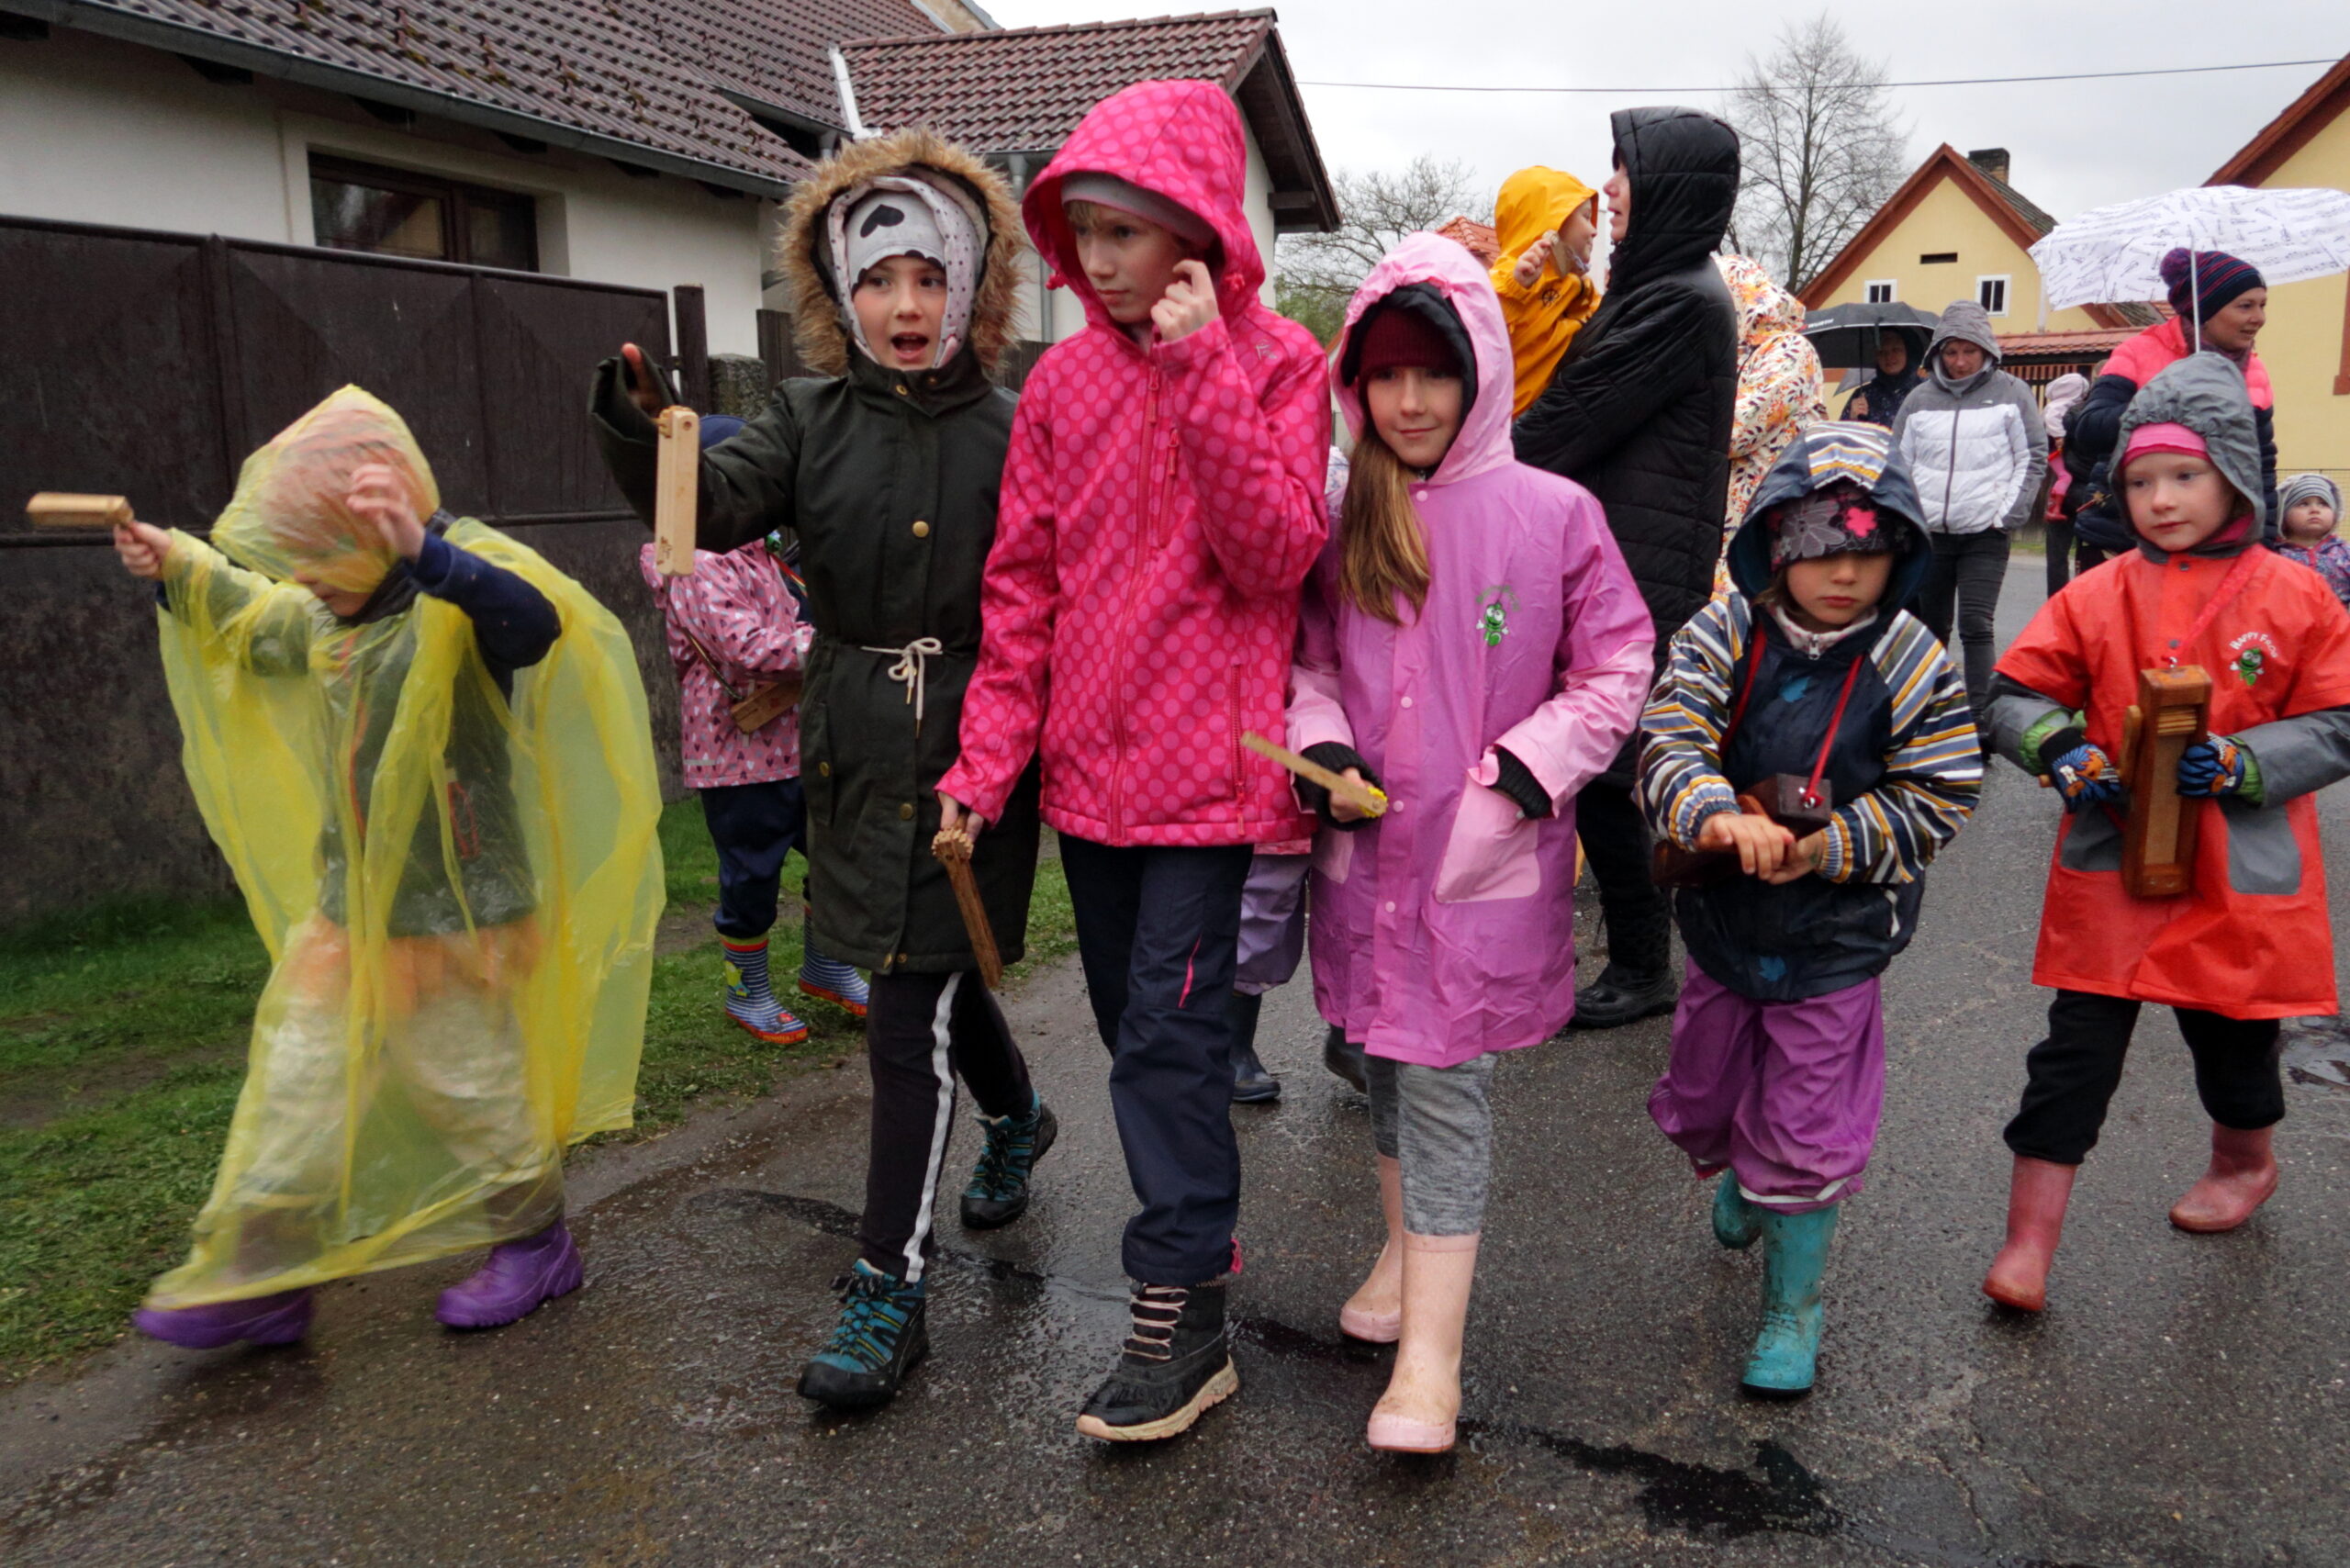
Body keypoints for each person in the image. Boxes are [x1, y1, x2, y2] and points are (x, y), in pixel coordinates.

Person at [592, 128, 1055, 1408]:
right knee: (918, 976)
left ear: (970, 287)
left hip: (975, 742)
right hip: (852, 741)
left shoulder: (1020, 428)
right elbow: (705, 510)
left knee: (907, 1012)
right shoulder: (805, 416)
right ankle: (1018, 1115)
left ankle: (886, 1285)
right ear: (839, 292)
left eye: (929, 277)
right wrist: (642, 431)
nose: (904, 306)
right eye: (877, 279)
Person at [936, 79, 1330, 1443]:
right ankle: (1196, 1232)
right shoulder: (1057, 382)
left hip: (1212, 785)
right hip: (1089, 789)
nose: (1096, 261)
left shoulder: (1278, 363)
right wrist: (987, 765)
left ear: (1198, 231)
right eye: (1083, 231)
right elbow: (1022, 591)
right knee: (1134, 1036)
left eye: (1125, 231)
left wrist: (1202, 362)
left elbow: (1276, 555)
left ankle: (1183, 1306)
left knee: (1168, 1040)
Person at [118, 387, 663, 1349]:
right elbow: (255, 617)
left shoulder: (455, 607)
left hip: (457, 917)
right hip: (349, 915)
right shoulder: (327, 619)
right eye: (295, 560)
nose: (302, 578)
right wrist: (180, 564)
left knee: (469, 1084)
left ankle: (536, 1243)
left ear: (381, 538)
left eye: (319, 557)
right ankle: (267, 1272)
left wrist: (428, 551)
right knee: (298, 1081)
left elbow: (531, 622)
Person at [1292, 232, 1651, 1451]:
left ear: (1479, 373)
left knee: (1445, 1082)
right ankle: (1403, 1260)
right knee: (1385, 1065)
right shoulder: (1349, 514)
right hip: (1369, 864)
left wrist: (1529, 772)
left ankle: (1432, 1363)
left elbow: (1615, 663)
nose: (1409, 400)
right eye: (1384, 375)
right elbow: (1310, 665)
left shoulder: (1553, 514)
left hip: (1474, 857)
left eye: (1434, 373)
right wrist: (1324, 749)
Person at [1978, 353, 2350, 1315]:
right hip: (2114, 861)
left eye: (2184, 475)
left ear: (2234, 475)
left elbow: (2338, 719)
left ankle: (2244, 1162)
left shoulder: (2297, 595)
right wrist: (2059, 748)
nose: (2160, 499)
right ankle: (2028, 1239)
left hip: (2235, 869)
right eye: (2140, 481)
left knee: (2235, 1042)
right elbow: (2014, 694)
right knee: (2072, 1053)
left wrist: (2244, 763)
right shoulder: (2096, 592)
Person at [1641, 422, 1980, 1396]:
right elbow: (1671, 730)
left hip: (1838, 937)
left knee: (1807, 1127)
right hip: (1723, 925)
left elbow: (1942, 788)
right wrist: (1708, 811)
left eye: (1869, 552)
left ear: (1901, 553)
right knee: (1703, 1098)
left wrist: (1832, 845)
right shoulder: (1723, 631)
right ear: (1774, 543)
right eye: (1819, 547)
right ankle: (1745, 1174)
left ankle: (1793, 1307)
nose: (1844, 573)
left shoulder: (1910, 657)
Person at [1514, 106, 1740, 1030]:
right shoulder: (1658, 286)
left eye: (1624, 173)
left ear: (1670, 191)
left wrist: (1471, 466)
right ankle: (1636, 956)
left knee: (1608, 777)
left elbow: (1566, 422)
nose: (1606, 190)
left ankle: (1645, 965)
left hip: (1636, 569)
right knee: (1603, 770)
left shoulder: (1679, 301)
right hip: (1621, 555)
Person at [641, 420, 867, 1049]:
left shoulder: (758, 550)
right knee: (751, 876)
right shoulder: (694, 561)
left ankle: (826, 967)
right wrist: (836, 646)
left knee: (833, 853)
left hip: (800, 740)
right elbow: (745, 648)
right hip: (736, 756)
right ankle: (748, 990)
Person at [1892, 301, 2047, 737]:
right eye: (1951, 352)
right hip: (1930, 534)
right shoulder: (1918, 399)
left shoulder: (2013, 393)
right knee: (1931, 626)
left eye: (1969, 351)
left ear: (1986, 350)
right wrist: (1907, 518)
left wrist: (2007, 515)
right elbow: (1898, 463)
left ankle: (1981, 721)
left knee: (1976, 626)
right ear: (1938, 353)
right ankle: (1927, 713)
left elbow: (2033, 456)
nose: (1960, 362)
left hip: (1985, 533)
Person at [2066, 249, 2275, 558]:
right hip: (2121, 536)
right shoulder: (2138, 352)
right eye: (2245, 306)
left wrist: (2265, 545)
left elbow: (2261, 466)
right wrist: (2173, 400)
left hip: (2218, 545)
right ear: (2205, 309)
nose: (2258, 318)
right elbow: (2091, 429)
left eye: (2262, 305)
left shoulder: (2253, 372)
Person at [1717, 253, 1828, 558]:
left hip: (1769, 519)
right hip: (1724, 525)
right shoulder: (1733, 354)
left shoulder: (1790, 351)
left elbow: (1735, 431)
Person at [1490, 165, 1602, 420]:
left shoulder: (1573, 286)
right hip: (1504, 427)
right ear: (1553, 222)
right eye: (1586, 217)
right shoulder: (1510, 278)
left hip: (1541, 420)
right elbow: (1480, 328)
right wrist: (1515, 289)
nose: (1594, 230)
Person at [2038, 372, 2090, 597]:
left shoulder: (2055, 409)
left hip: (2056, 483)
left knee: (2056, 554)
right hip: (2085, 487)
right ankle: (2081, 599)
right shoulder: (2085, 412)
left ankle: (2057, 599)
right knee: (2086, 551)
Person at [2274, 474, 2350, 609]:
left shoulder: (2344, 553)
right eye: (2303, 504)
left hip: (2334, 621)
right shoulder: (2273, 553)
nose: (2315, 510)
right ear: (2282, 514)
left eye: (2323, 504)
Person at [1838, 330, 1927, 429]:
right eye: (1882, 352)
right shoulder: (1864, 395)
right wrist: (1852, 418)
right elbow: (1842, 435)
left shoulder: (1927, 390)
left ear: (1909, 352)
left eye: (1896, 350)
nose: (1888, 356)